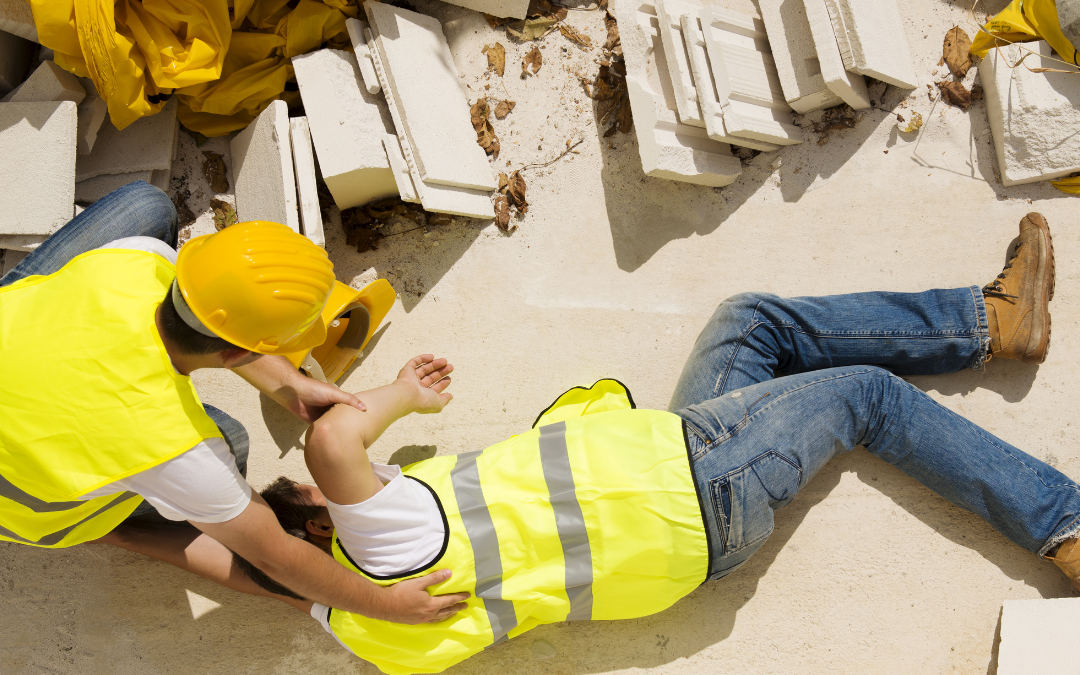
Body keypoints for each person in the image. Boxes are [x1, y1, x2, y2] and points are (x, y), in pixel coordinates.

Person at [259, 213, 1076, 673]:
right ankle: (1062, 523)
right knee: (865, 395)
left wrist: (219, 535)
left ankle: (995, 321)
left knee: (748, 322)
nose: (334, 484)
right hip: (691, 483)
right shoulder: (389, 540)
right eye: (319, 496)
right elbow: (332, 436)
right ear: (325, 527)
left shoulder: (363, 632)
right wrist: (401, 392)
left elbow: (272, 576)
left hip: (678, 522)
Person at [0, 181, 468, 624]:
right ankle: (99, 521)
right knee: (233, 442)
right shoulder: (177, 450)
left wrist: (289, 385)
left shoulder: (133, 262)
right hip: (19, 504)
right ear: (241, 353)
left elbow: (208, 322)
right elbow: (274, 556)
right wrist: (386, 606)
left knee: (146, 207)